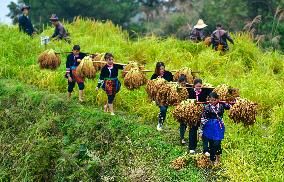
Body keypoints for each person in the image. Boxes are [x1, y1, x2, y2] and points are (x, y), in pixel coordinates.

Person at [180, 78, 212, 155]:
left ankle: (206, 149)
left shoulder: (205, 91)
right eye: (197, 86)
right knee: (193, 130)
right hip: (193, 114)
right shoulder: (190, 92)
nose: (199, 88)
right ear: (194, 86)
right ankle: (192, 148)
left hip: (203, 114)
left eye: (200, 86)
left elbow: (211, 97)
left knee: (204, 131)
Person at [200, 92, 231, 166]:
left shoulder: (222, 105)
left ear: (218, 99)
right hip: (209, 126)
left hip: (219, 126)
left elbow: (231, 106)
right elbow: (203, 119)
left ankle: (218, 158)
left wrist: (235, 100)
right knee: (211, 143)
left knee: (217, 143)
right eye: (210, 100)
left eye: (214, 100)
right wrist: (201, 130)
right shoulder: (207, 107)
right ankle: (212, 159)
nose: (212, 102)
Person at [151, 62, 173, 131]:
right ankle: (160, 123)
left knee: (164, 110)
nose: (162, 70)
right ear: (157, 69)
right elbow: (151, 87)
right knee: (163, 109)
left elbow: (172, 83)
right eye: (160, 69)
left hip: (166, 96)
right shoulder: (154, 76)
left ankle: (161, 122)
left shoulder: (168, 74)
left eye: (163, 69)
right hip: (158, 96)